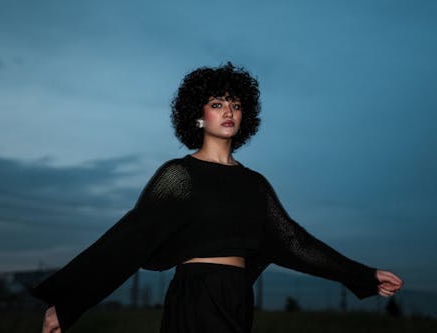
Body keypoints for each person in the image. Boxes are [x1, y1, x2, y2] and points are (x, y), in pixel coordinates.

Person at [31, 62, 403, 333]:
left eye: (236, 105)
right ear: (199, 116)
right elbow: (129, 238)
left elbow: (294, 242)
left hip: (237, 298)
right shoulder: (179, 175)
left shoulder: (254, 184)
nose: (229, 111)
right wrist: (67, 305)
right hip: (196, 294)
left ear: (246, 117)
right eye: (218, 103)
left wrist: (364, 275)